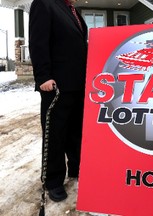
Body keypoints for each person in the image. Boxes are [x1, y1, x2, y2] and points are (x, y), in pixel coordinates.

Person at [29, 0, 88, 202]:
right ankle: (53, 181)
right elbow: (38, 41)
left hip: (78, 84)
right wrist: (43, 76)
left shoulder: (73, 11)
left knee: (75, 131)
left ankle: (75, 168)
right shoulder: (44, 4)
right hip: (56, 86)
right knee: (55, 134)